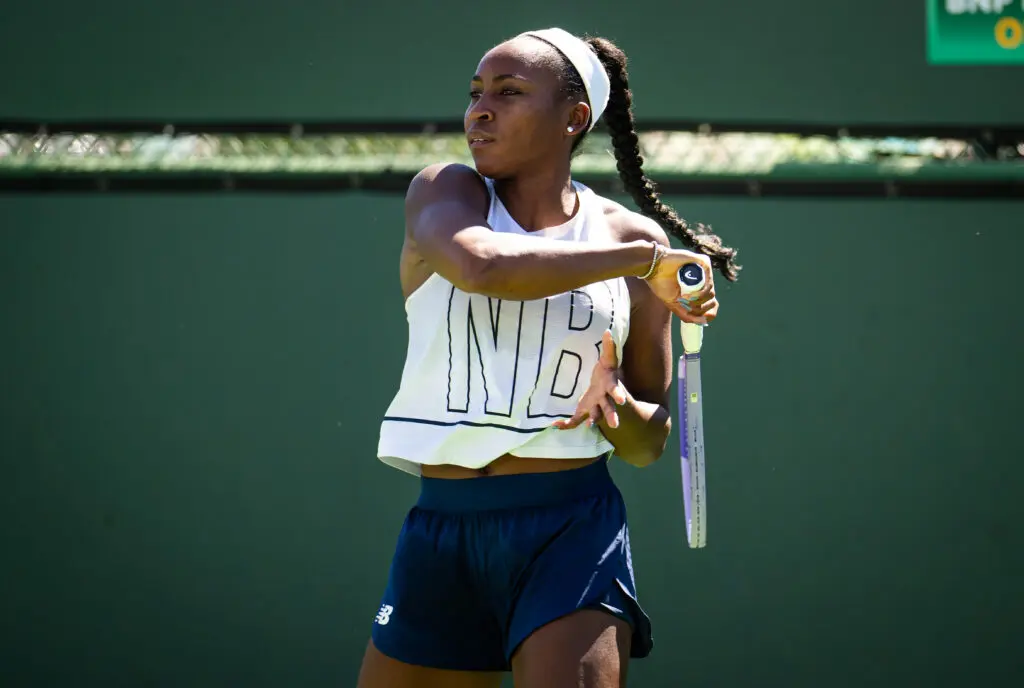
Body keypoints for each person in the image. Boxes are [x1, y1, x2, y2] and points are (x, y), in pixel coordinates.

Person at [357, 27, 741, 688]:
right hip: (440, 531)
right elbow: (482, 266)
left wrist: (615, 405)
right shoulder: (444, 191)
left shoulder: (627, 235)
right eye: (477, 93)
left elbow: (648, 443)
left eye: (508, 93)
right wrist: (648, 262)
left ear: (574, 118)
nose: (480, 109)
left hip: (572, 531)